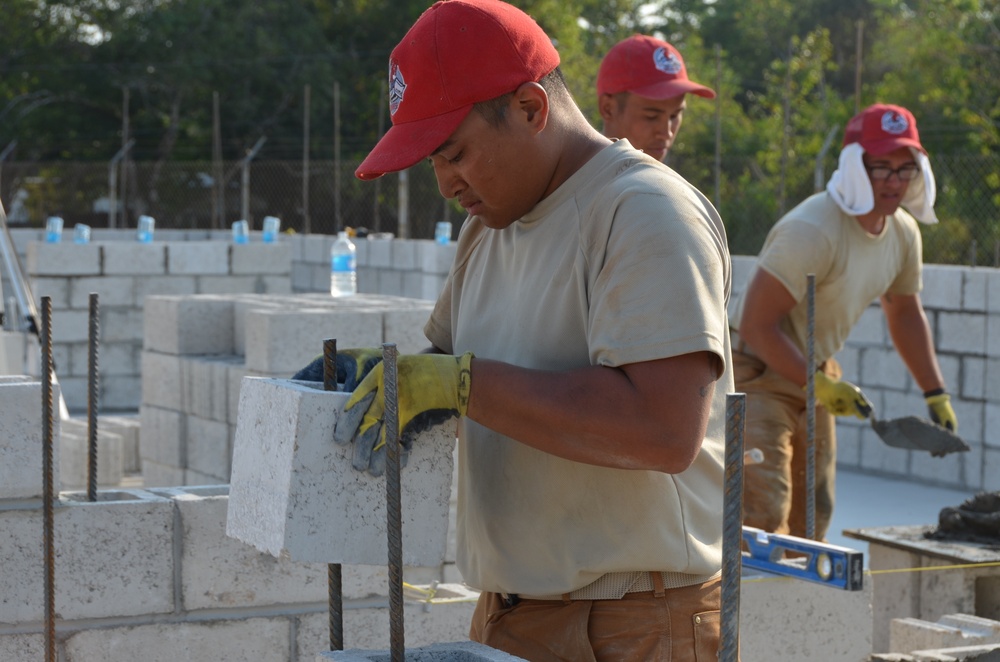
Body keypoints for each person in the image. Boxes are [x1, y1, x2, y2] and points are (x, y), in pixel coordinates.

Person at [329, 1, 734, 659]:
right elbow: (447, 369)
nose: (445, 182)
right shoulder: (487, 228)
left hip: (634, 623)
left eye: (455, 153)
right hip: (513, 613)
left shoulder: (643, 213)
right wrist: (382, 380)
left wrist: (460, 384)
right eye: (434, 160)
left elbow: (664, 430)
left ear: (529, 108)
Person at [729, 103, 959, 542]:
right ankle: (749, 608)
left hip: (815, 371)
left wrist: (936, 392)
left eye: (904, 169)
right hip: (755, 371)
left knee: (814, 513)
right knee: (761, 512)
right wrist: (819, 384)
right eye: (880, 168)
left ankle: (801, 609)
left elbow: (905, 312)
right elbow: (758, 325)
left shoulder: (904, 233)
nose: (893, 182)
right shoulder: (813, 230)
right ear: (855, 167)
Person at [596, 34, 716, 162]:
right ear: (608, 108)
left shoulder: (661, 179)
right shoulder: (577, 177)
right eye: (651, 116)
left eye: (674, 116)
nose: (666, 133)